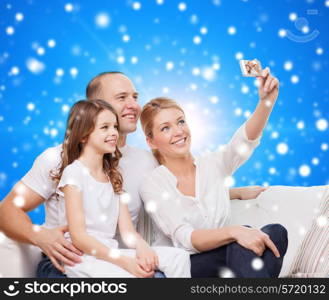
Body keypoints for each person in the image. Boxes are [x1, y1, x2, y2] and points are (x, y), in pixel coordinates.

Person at [0, 71, 267, 277]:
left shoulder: (145, 162)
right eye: (121, 98)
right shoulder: (58, 159)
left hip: (123, 260)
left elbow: (177, 191)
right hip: (72, 264)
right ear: (94, 108)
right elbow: (7, 209)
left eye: (135, 97)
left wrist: (233, 192)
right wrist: (40, 236)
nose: (133, 105)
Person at [139, 67, 288, 277]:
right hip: (186, 266)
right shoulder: (153, 184)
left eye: (181, 121)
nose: (179, 131)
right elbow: (186, 239)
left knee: (275, 232)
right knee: (240, 239)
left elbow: (244, 142)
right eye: (165, 128)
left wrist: (266, 102)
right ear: (151, 141)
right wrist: (234, 231)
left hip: (230, 260)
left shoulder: (212, 165)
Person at [53, 99, 191, 277]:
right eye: (104, 127)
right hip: (82, 258)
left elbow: (127, 231)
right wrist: (125, 262)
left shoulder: (113, 176)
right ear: (83, 136)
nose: (113, 133)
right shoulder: (74, 173)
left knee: (178, 257)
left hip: (111, 253)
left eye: (114, 127)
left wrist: (142, 247)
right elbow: (79, 237)